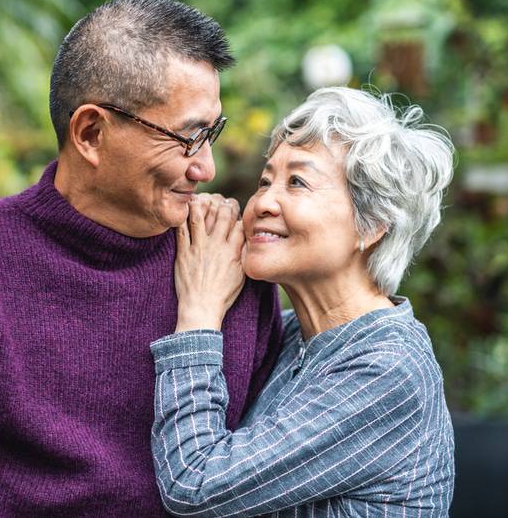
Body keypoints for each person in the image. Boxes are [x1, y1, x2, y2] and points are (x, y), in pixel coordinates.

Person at [0, 0, 282, 517]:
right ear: (91, 133)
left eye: (212, 132)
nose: (206, 168)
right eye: (187, 138)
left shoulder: (229, 264)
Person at [150, 87, 456, 516]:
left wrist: (199, 313)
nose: (262, 203)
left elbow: (196, 484)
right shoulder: (294, 334)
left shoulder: (389, 368)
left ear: (372, 225)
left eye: (297, 182)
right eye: (265, 180)